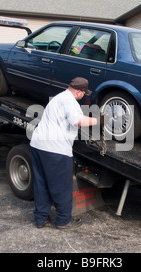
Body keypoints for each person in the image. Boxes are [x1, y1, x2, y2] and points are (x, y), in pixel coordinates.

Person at [30, 77, 98, 229]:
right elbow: (77, 121)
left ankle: (40, 218)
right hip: (55, 149)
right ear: (79, 92)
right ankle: (63, 220)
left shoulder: (58, 98)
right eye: (84, 94)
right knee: (62, 185)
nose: (84, 96)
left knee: (41, 183)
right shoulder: (69, 101)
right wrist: (99, 120)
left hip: (38, 144)